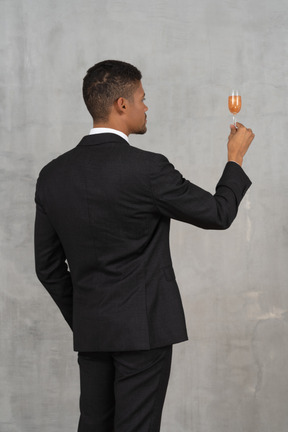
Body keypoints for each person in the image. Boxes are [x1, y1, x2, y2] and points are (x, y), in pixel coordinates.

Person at [34, 60, 254, 432]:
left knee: (94, 425)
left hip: (93, 331)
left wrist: (87, 316)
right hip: (143, 331)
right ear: (122, 104)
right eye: (142, 98)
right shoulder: (148, 169)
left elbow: (48, 268)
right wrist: (235, 158)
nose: (146, 107)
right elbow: (218, 213)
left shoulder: (53, 174)